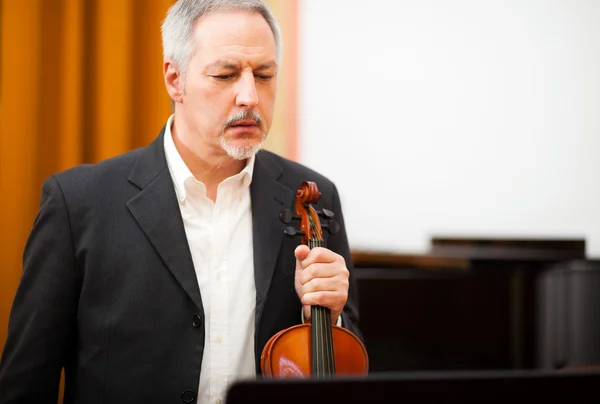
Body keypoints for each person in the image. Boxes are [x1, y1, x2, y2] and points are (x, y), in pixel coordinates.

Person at [0, 0, 362, 403]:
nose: (249, 97)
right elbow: (26, 383)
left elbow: (345, 373)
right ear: (175, 79)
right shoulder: (79, 203)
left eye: (264, 75)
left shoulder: (314, 195)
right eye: (226, 75)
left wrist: (328, 319)